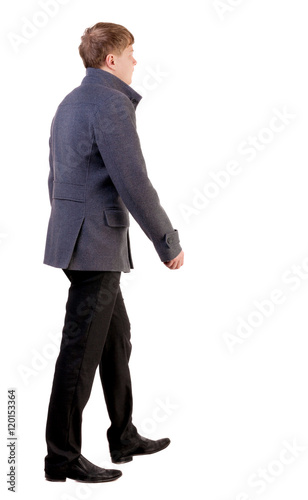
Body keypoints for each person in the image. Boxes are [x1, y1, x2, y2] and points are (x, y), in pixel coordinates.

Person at [43, 21, 184, 483]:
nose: (134, 63)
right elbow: (134, 183)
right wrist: (167, 240)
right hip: (96, 246)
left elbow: (58, 177)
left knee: (114, 338)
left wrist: (71, 230)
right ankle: (62, 456)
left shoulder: (70, 102)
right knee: (80, 353)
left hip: (75, 241)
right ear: (111, 60)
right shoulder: (109, 103)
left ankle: (123, 435)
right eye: (130, 55)